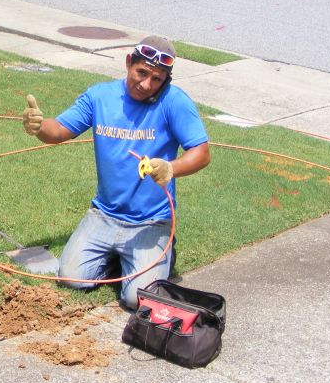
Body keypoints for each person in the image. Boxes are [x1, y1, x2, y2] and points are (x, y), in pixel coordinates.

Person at [22, 36, 210, 309]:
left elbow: (202, 153)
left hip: (151, 222)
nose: (146, 84)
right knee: (71, 278)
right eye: (141, 72)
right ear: (128, 63)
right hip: (104, 216)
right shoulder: (100, 96)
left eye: (156, 79)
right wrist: (39, 126)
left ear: (165, 80)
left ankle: (162, 255)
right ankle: (118, 258)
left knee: (138, 299)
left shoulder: (174, 101)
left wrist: (171, 168)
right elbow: (59, 131)